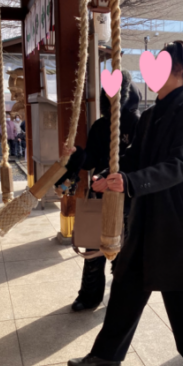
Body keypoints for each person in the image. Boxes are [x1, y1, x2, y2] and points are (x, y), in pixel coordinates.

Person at [67, 41, 183, 366]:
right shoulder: (149, 116)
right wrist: (110, 176)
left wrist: (130, 181)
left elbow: (181, 165)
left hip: (178, 217)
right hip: (146, 213)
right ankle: (106, 356)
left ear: (180, 71)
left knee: (181, 290)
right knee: (126, 284)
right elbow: (134, 158)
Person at [57, 70, 141, 312]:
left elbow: (138, 161)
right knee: (93, 248)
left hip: (127, 198)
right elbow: (91, 159)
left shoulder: (137, 123)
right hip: (99, 194)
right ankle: (89, 295)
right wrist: (78, 154)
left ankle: (121, 298)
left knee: (122, 252)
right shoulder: (101, 125)